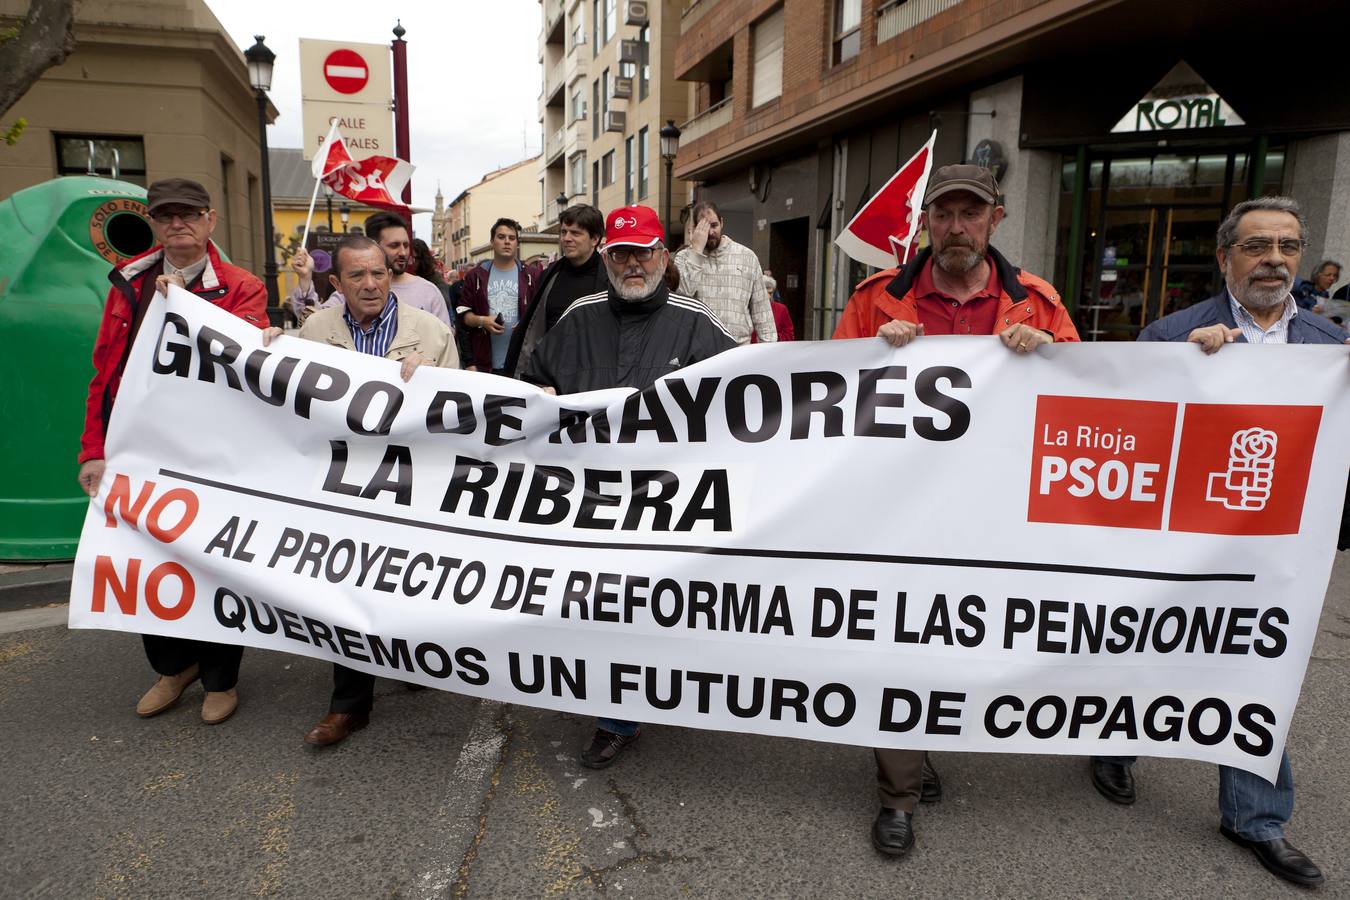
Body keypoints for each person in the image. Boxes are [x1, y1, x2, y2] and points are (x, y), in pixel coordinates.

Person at [833, 163, 1080, 859]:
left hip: (998, 512)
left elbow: (1086, 400)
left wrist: (1051, 357)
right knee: (903, 640)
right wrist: (873, 361)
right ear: (925, 224)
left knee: (968, 635)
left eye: (971, 213)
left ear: (996, 218)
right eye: (944, 214)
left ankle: (930, 743)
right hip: (900, 510)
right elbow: (825, 402)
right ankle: (898, 795)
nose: (956, 227)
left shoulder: (1038, 302)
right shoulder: (877, 301)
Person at [1090, 196, 1338, 889]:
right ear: (1226, 256)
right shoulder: (1173, 332)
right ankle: (1113, 743)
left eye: (1288, 246)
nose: (1275, 259)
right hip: (1178, 535)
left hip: (1273, 549)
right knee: (1148, 641)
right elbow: (1127, 428)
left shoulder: (1328, 346)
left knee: (1259, 670)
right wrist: (1184, 373)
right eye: (1258, 245)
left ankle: (1255, 818)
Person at [521, 205, 737, 767]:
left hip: (670, 504)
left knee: (658, 608)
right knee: (603, 610)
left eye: (643, 252)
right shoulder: (577, 319)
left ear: (663, 257)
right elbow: (529, 387)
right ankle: (617, 713)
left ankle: (645, 702)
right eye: (621, 254)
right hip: (590, 502)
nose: (632, 264)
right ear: (606, 258)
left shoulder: (698, 323)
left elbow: (746, 403)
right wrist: (538, 398)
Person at [77, 177, 266, 725]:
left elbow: (243, 362)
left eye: (188, 214)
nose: (176, 224)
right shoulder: (128, 283)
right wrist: (93, 450)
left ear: (209, 221)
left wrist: (184, 308)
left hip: (208, 451)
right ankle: (172, 665)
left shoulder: (242, 285)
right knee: (141, 559)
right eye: (166, 216)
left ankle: (220, 677)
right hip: (138, 451)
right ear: (154, 225)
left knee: (212, 561)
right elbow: (104, 373)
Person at [260, 234, 458, 747]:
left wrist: (438, 383)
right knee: (345, 587)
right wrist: (260, 351)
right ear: (336, 282)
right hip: (341, 485)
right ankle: (348, 706)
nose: (370, 285)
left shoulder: (431, 331)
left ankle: (409, 656)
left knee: (406, 583)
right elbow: (286, 400)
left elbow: (465, 411)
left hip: (410, 484)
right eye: (357, 276)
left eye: (379, 273)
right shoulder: (313, 331)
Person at [289, 212, 452, 330]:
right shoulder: (348, 293)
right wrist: (305, 278)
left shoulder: (429, 292)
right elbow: (311, 322)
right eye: (394, 246)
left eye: (406, 245)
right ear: (374, 246)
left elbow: (443, 343)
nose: (403, 252)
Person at [504, 204, 608, 377]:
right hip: (548, 375)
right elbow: (534, 329)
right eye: (563, 232)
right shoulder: (548, 276)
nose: (566, 238)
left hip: (591, 375)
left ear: (595, 238)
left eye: (575, 233)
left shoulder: (609, 280)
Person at [674, 201, 777, 345]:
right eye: (704, 227)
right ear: (694, 229)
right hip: (698, 352)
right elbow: (682, 298)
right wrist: (696, 251)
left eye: (714, 225)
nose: (710, 232)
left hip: (738, 350)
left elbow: (762, 313)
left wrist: (768, 352)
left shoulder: (747, 256)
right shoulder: (684, 258)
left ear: (722, 223)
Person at [460, 217, 537, 374]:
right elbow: (463, 315)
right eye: (501, 237)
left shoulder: (531, 275)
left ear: (517, 243)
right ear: (492, 242)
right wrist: (482, 321)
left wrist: (526, 324)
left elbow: (542, 315)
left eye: (512, 238)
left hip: (522, 365)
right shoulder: (475, 276)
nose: (507, 242)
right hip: (485, 365)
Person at [753, 274, 794, 342]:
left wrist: (776, 338)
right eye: (766, 293)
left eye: (770, 293)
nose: (768, 296)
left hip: (775, 349)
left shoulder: (781, 309)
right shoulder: (748, 309)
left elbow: (789, 335)